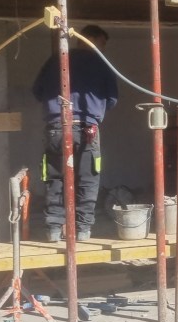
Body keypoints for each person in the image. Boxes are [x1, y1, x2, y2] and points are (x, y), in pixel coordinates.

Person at [32, 24, 118, 242]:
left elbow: (38, 91)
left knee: (54, 178)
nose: (102, 48)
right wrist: (95, 108)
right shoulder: (101, 63)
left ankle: (53, 229)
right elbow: (112, 99)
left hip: (56, 128)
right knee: (88, 179)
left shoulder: (56, 60)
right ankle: (83, 230)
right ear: (91, 39)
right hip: (88, 128)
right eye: (102, 43)